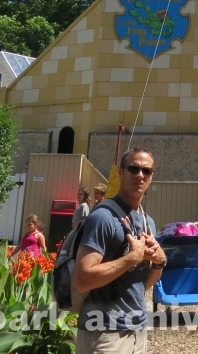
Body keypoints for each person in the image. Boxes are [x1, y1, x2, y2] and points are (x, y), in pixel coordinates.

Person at [75, 148, 166, 354]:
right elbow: (82, 279)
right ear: (121, 173)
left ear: (151, 177)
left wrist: (160, 261)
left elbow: (141, 285)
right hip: (105, 334)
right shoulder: (103, 218)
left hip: (137, 329)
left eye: (146, 170)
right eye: (133, 168)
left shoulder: (147, 221)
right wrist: (132, 258)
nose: (140, 175)